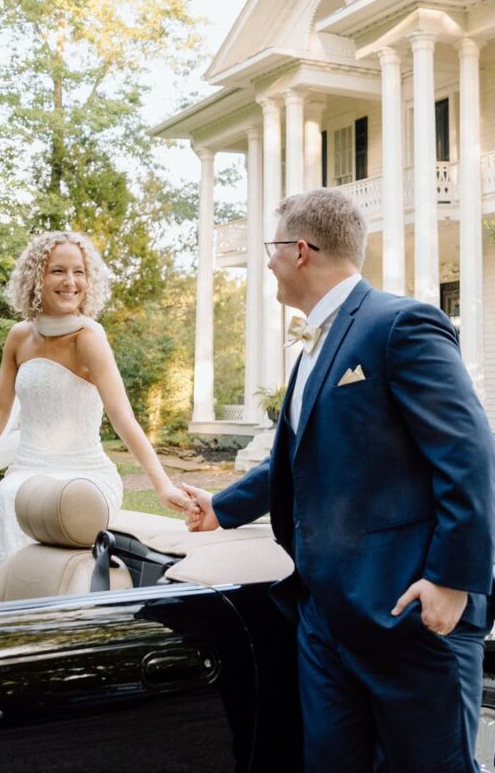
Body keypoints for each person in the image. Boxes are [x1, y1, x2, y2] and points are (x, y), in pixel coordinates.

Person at [183, 188, 495, 773]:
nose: (268, 264)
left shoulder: (400, 323)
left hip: (410, 614)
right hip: (324, 617)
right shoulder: (310, 349)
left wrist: (452, 580)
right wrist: (222, 508)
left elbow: (470, 454)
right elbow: (303, 457)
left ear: (300, 250)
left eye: (272, 250)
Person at [0, 230, 189, 617]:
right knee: (9, 494)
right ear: (36, 278)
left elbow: (122, 416)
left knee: (22, 496)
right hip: (25, 473)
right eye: (57, 270)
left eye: (79, 272)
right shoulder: (19, 337)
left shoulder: (89, 337)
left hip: (83, 476)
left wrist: (162, 483)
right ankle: (4, 624)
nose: (70, 281)